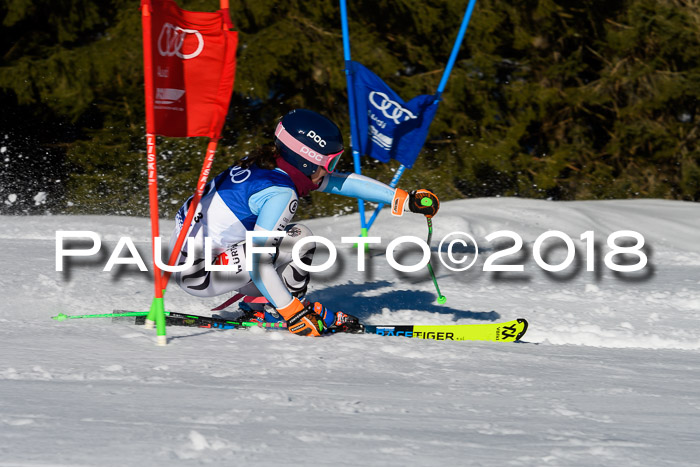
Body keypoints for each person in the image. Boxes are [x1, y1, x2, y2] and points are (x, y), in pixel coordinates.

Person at [170, 109, 439, 337]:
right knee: (298, 241)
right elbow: (258, 262)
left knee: (296, 236)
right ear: (308, 161)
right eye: (330, 162)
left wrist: (403, 199)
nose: (331, 170)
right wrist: (293, 313)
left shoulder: (267, 164)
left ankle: (262, 306)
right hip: (200, 275)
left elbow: (341, 183)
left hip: (192, 260)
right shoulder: (280, 194)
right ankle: (280, 308)